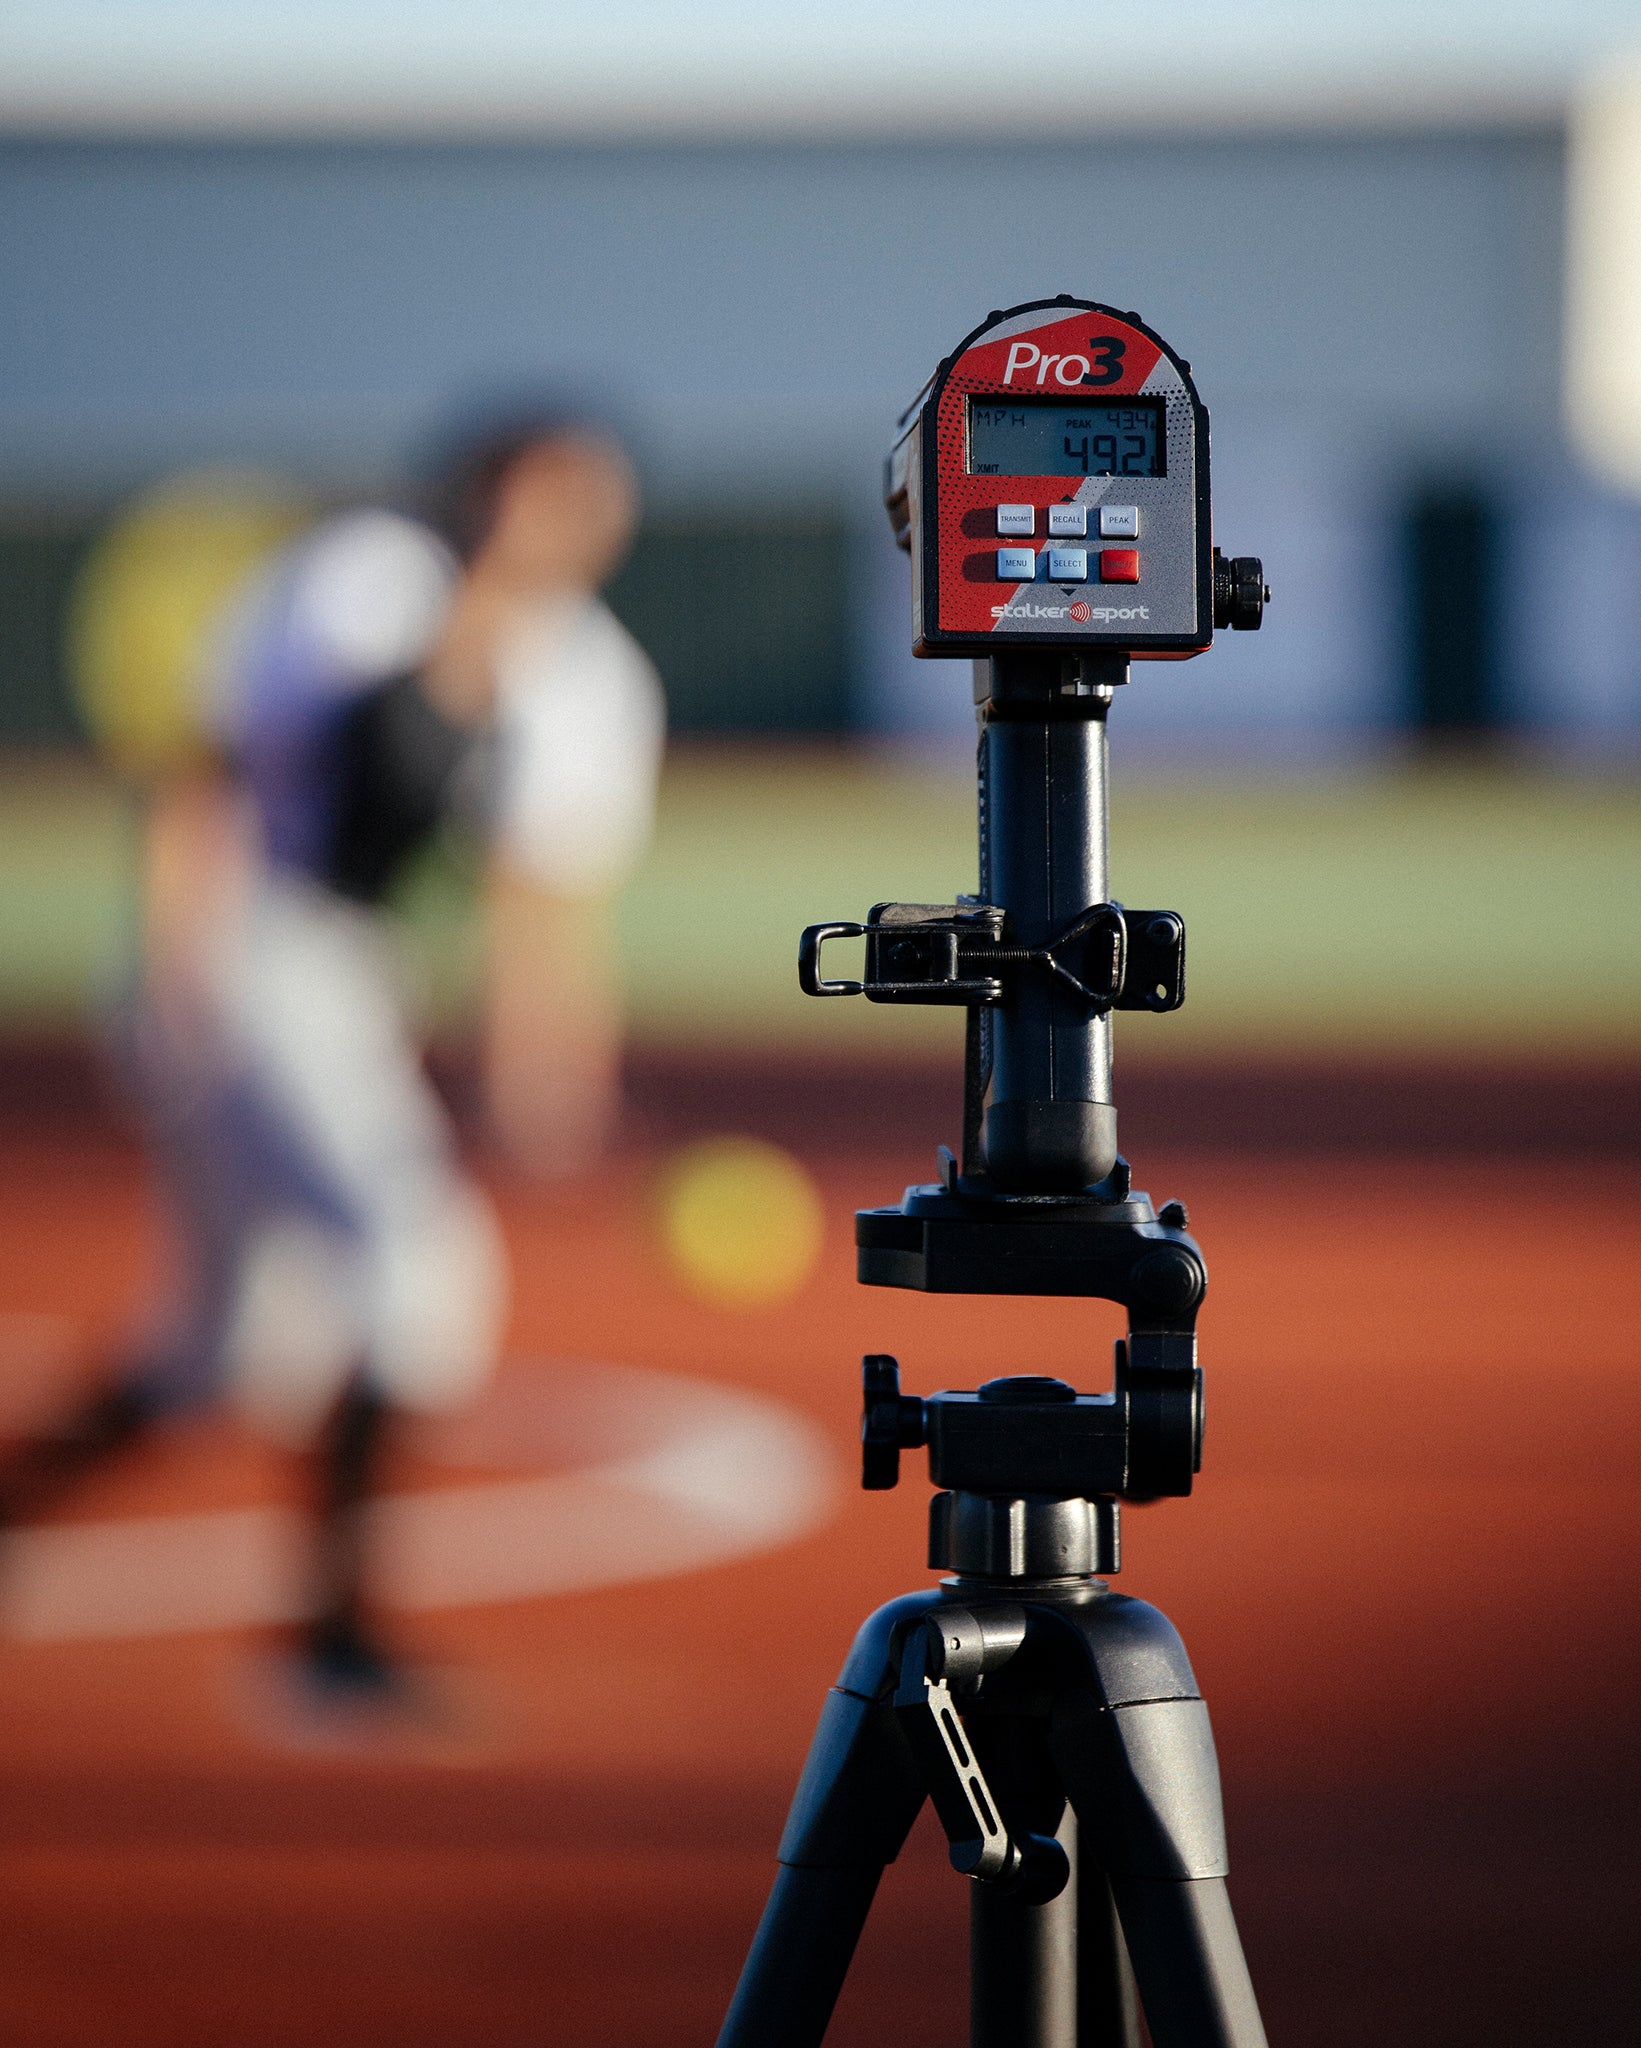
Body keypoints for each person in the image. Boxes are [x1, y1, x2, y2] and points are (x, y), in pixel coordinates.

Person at [0, 412, 666, 1700]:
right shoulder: (360, 577)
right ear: (475, 487)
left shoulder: (595, 678)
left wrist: (545, 1075)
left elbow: (544, 901)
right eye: (533, 489)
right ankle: (337, 1642)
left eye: (585, 499)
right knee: (416, 1266)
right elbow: (216, 771)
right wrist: (176, 970)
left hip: (350, 973)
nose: (554, 521)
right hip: (245, 941)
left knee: (215, 1348)